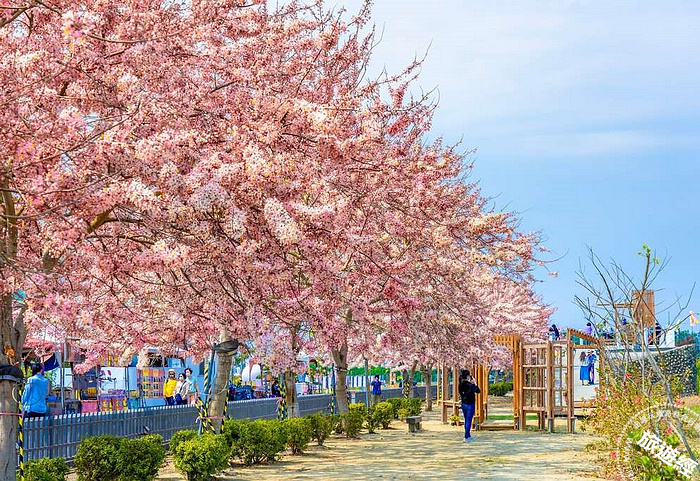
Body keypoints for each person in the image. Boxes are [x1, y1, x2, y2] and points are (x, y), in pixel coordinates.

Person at [458, 369, 480, 442]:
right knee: (469, 421)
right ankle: (466, 437)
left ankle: (468, 435)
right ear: (467, 376)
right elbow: (478, 391)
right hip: (470, 404)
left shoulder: (460, 384)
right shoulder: (470, 385)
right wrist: (474, 383)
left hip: (464, 404)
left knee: (466, 420)